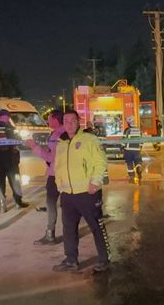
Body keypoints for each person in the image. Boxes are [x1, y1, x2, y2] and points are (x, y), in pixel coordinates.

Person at [52, 109, 110, 273]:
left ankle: (104, 259)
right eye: (66, 121)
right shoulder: (61, 143)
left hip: (87, 193)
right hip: (68, 195)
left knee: (96, 226)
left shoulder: (89, 139)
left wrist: (95, 181)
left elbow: (100, 161)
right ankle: (71, 260)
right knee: (68, 228)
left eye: (72, 120)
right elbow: (58, 166)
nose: (69, 124)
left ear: (78, 122)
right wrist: (59, 185)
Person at [25, 109, 65, 245]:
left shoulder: (58, 135)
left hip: (56, 175)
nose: (47, 120)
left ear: (55, 119)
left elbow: (51, 157)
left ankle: (50, 235)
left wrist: (34, 147)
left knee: (51, 204)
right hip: (66, 175)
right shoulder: (64, 133)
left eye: (49, 118)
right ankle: (70, 234)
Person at [0, 109, 29, 212]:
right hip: (10, 159)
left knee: (0, 182)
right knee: (15, 180)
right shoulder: (10, 128)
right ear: (7, 117)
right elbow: (18, 140)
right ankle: (18, 202)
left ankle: (2, 205)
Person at [123, 115, 143, 183]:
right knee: (137, 161)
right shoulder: (139, 130)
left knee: (129, 163)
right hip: (137, 150)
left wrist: (122, 147)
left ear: (129, 123)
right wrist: (140, 147)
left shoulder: (127, 130)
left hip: (128, 150)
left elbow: (124, 140)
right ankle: (139, 168)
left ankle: (131, 176)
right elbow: (141, 141)